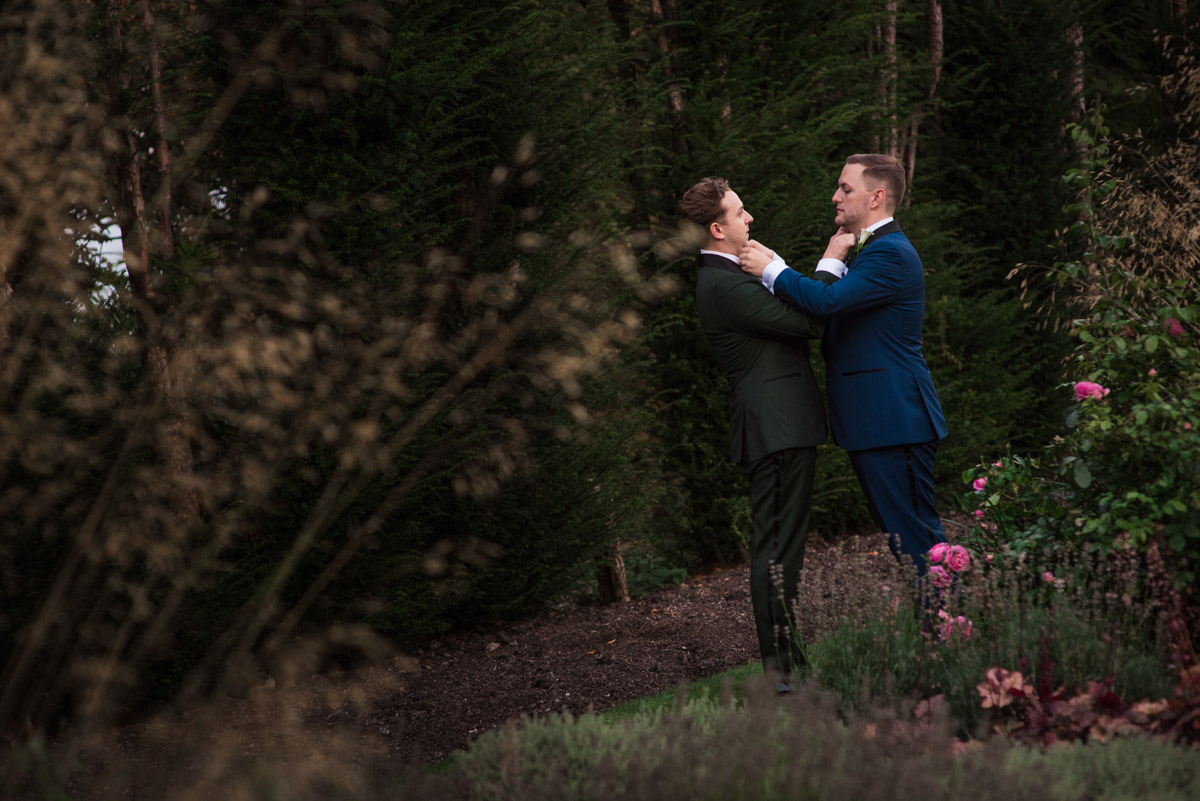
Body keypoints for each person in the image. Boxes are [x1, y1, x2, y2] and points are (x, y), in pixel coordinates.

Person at [738, 154, 949, 584]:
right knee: (905, 541)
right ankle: (941, 634)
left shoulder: (889, 254)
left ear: (877, 196)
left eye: (845, 189)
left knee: (917, 539)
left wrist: (771, 269)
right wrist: (830, 259)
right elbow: (827, 304)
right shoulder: (866, 249)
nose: (835, 196)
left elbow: (826, 304)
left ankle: (948, 633)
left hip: (896, 421)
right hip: (878, 423)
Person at [680, 177, 847, 690]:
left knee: (783, 549)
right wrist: (830, 259)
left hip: (784, 426)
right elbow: (811, 321)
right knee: (776, 550)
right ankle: (784, 675)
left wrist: (774, 271)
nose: (749, 218)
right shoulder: (723, 285)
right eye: (739, 211)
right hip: (773, 428)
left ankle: (789, 666)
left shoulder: (732, 275)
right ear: (717, 228)